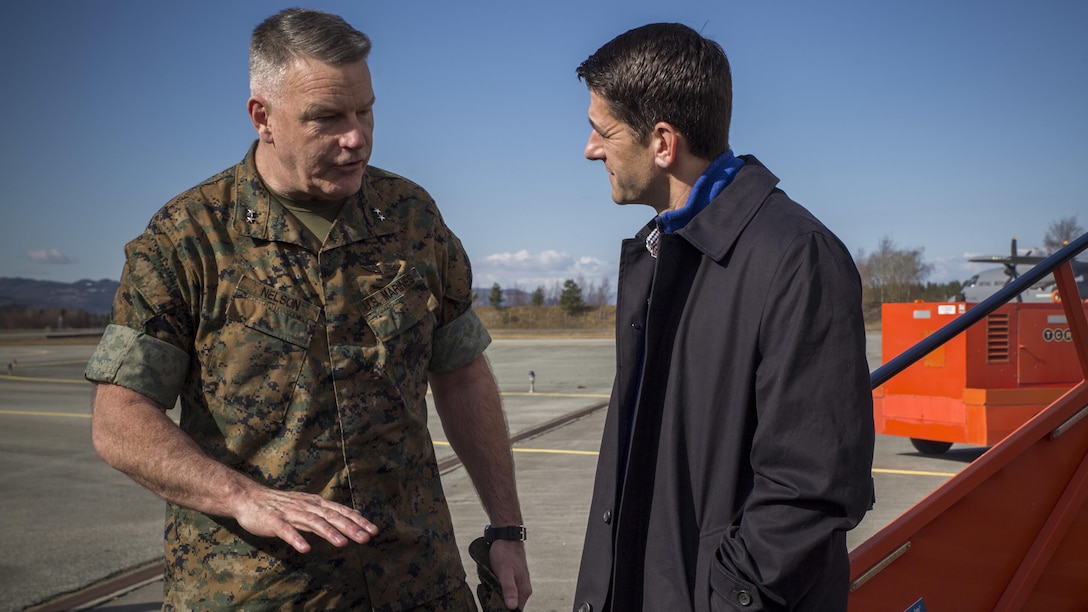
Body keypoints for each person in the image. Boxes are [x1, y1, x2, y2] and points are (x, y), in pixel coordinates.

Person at [85, 8, 530, 610]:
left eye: (365, 110)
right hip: (259, 588)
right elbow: (119, 420)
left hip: (417, 580)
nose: (356, 137)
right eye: (326, 118)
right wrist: (242, 496)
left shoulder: (411, 216)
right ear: (262, 116)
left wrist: (506, 528)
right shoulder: (188, 238)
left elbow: (462, 375)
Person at [572, 23, 875, 611]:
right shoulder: (663, 251)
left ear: (663, 143)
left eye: (602, 131)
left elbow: (811, 488)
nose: (590, 149)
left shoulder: (796, 256)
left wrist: (725, 599)